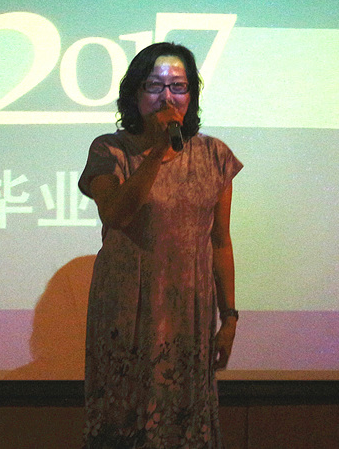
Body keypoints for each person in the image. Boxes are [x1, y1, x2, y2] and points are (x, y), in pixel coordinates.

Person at [79, 42, 243, 449]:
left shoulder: (215, 155)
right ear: (135, 94)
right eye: (154, 86)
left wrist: (229, 318)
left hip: (188, 313)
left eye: (178, 87)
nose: (167, 97)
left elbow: (220, 242)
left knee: (183, 425)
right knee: (124, 422)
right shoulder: (110, 150)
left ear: (191, 95)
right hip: (127, 311)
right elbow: (116, 214)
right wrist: (157, 153)